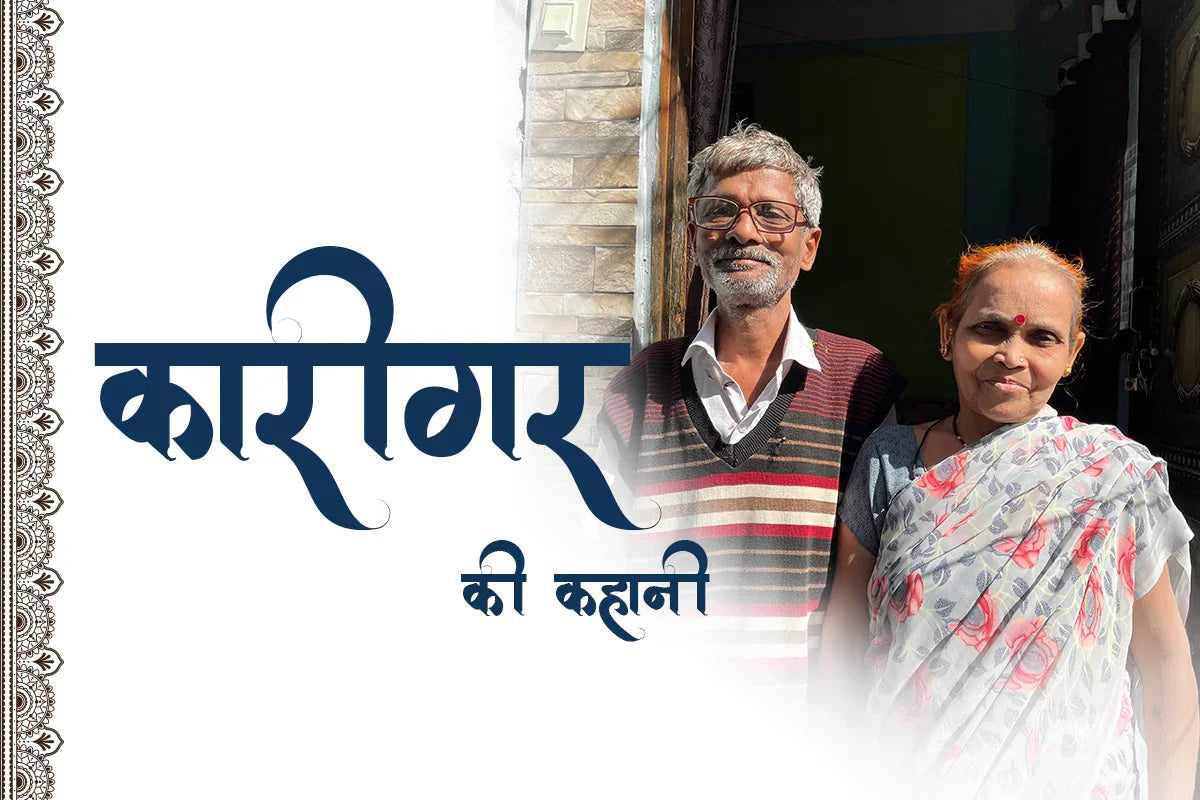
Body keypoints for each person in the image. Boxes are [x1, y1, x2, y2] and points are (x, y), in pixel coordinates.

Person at [819, 241, 1197, 798]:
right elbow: (845, 637)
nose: (1011, 355)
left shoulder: (1112, 478)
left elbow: (1166, 668)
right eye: (989, 329)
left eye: (1041, 337)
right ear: (949, 331)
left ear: (1073, 352)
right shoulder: (891, 459)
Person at [597, 123, 904, 705]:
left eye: (770, 213)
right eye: (721, 211)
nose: (742, 230)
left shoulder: (862, 385)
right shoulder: (640, 389)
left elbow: (880, 578)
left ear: (809, 246)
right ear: (694, 242)